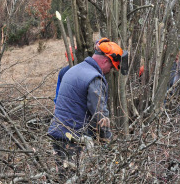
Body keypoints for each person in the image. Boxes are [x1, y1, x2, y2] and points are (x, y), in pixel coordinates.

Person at [47, 37, 128, 179]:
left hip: (58, 132)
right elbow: (100, 114)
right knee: (77, 177)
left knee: (63, 176)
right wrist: (108, 142)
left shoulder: (74, 70)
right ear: (105, 61)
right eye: (111, 67)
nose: (110, 71)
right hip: (74, 139)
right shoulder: (94, 78)